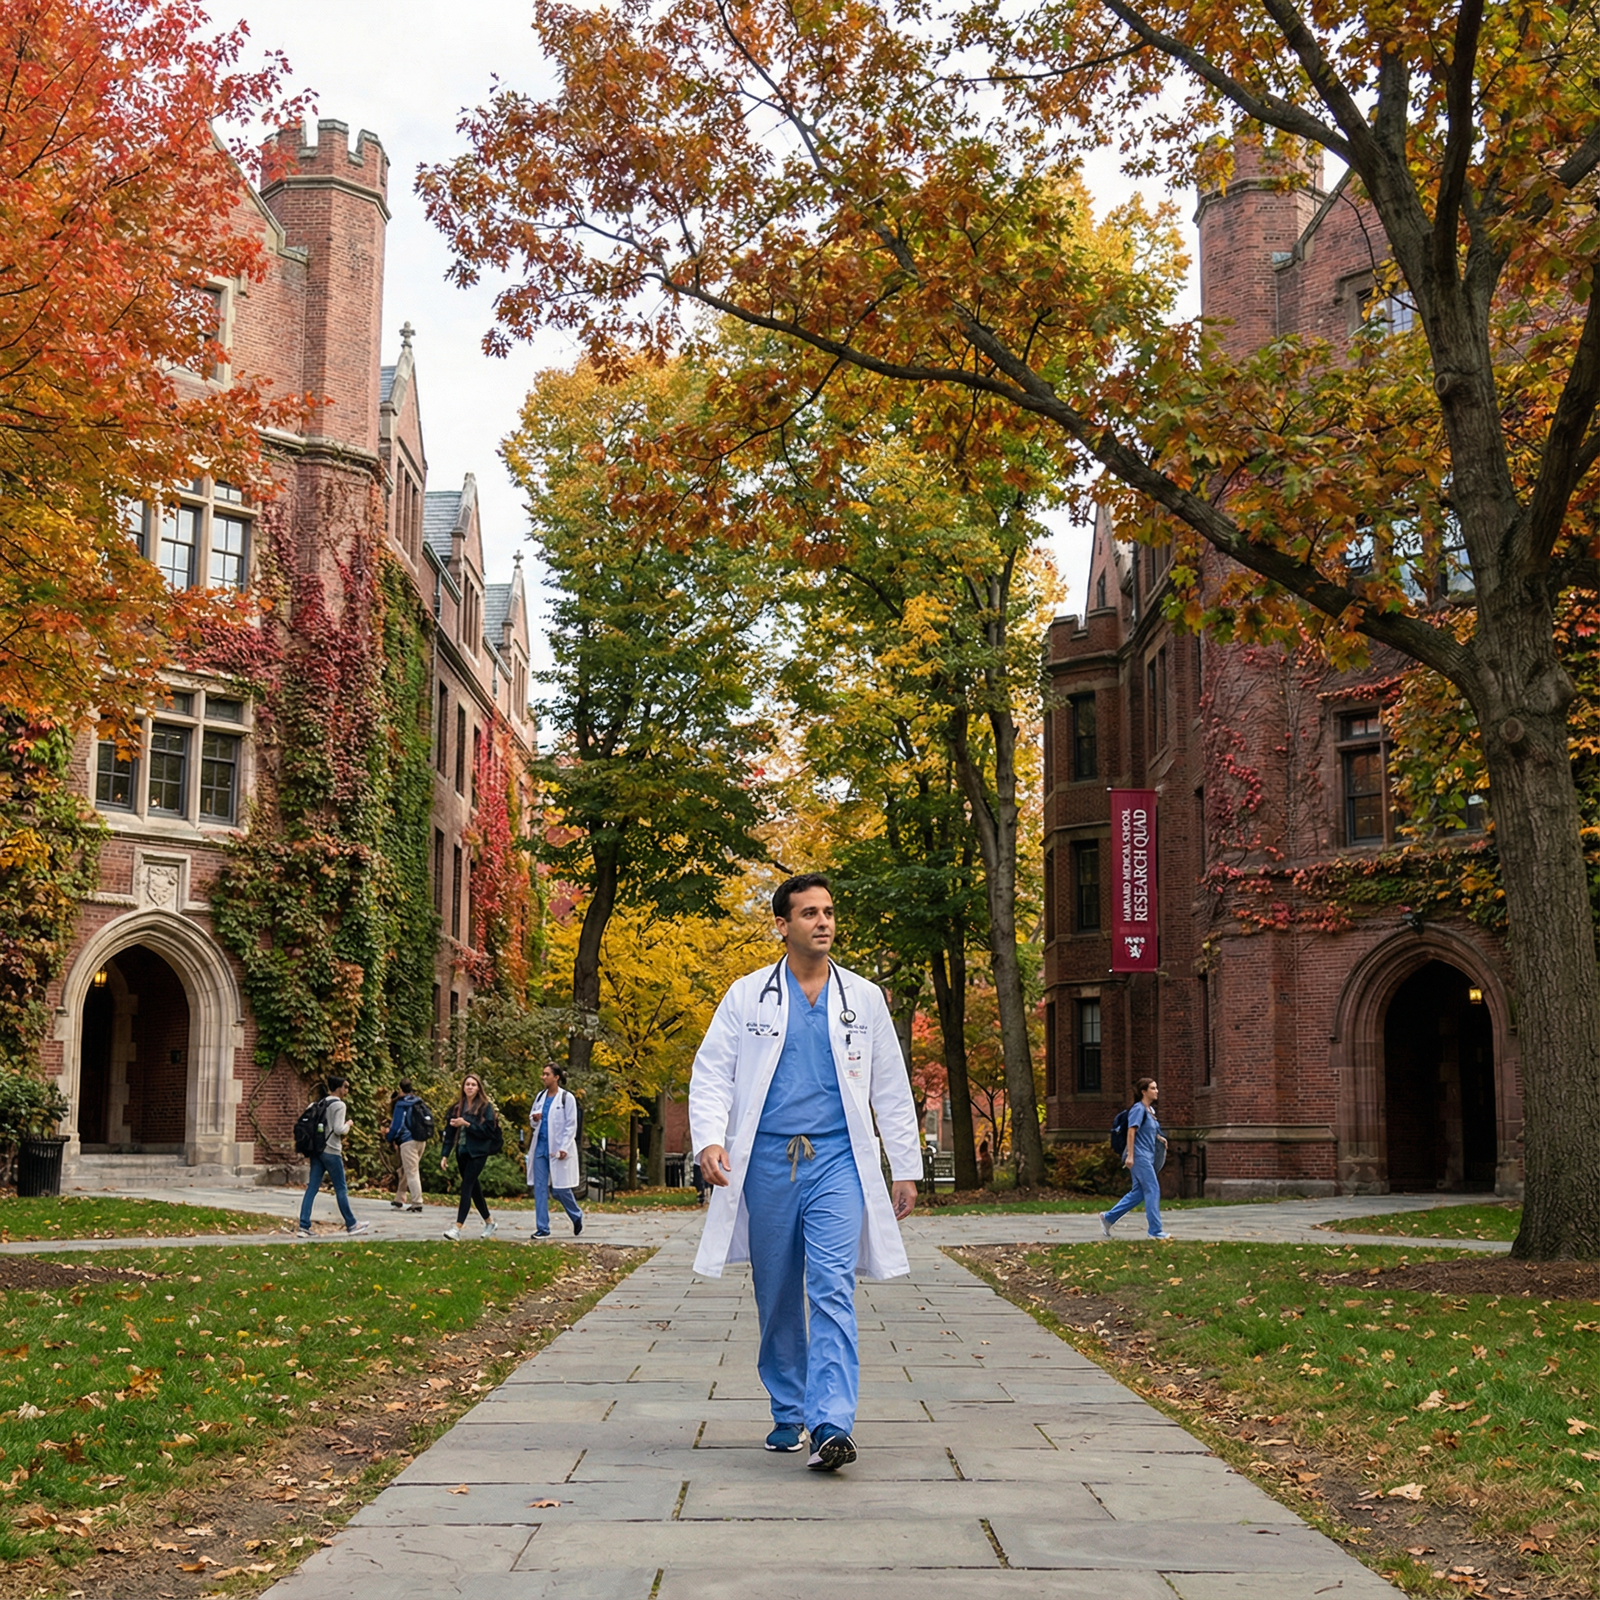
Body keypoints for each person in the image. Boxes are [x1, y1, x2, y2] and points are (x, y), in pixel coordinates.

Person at [689, 872, 922, 1473]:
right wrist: (710, 1141)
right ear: (783, 925)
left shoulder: (863, 999)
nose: (823, 922)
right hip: (766, 1160)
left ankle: (832, 1422)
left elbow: (892, 1087)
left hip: (839, 1160)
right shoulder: (747, 996)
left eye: (828, 912)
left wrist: (905, 1166)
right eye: (809, 913)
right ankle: (788, 1409)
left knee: (832, 1286)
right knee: (777, 1291)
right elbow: (712, 1071)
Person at [294, 1075, 370, 1238]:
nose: (347, 1090)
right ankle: (351, 1224)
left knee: (312, 1188)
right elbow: (338, 1129)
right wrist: (348, 1125)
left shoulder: (318, 1103)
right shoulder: (339, 1105)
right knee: (341, 1188)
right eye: (346, 1086)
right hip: (332, 1151)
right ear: (339, 1088)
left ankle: (304, 1226)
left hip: (317, 1151)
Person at [1101, 1077, 1173, 1241]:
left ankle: (1108, 1218)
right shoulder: (1138, 1109)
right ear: (1144, 1091)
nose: (1157, 1091)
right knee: (1153, 1189)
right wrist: (1131, 1156)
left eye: (1156, 1088)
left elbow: (1146, 1131)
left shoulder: (1149, 1111)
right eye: (1153, 1088)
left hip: (1147, 1154)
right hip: (1139, 1156)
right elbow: (1131, 1131)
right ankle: (1155, 1230)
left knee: (1139, 1193)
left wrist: (1160, 1139)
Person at [439, 1072, 501, 1241]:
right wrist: (445, 1155)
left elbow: (488, 1132)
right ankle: (490, 1222)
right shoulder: (457, 1108)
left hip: (479, 1152)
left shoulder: (485, 1107)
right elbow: (450, 1133)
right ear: (463, 1087)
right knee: (474, 1188)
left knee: (466, 1186)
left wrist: (466, 1124)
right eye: (467, 1084)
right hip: (462, 1151)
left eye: (473, 1085)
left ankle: (457, 1228)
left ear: (479, 1088)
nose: (470, 1087)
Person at [527, 1062, 584, 1239]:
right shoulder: (540, 1097)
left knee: (560, 1189)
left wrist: (564, 1147)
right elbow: (533, 1121)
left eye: (546, 1074)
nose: (543, 1077)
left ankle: (576, 1215)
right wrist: (535, 1119)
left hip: (558, 1149)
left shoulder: (567, 1098)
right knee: (540, 1188)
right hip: (540, 1148)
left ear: (556, 1077)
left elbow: (570, 1125)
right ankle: (542, 1228)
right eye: (543, 1074)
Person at [386, 1078, 427, 1213]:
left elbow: (396, 1126)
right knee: (406, 1169)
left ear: (400, 1089)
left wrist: (389, 1137)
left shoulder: (401, 1104)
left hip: (408, 1141)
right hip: (421, 1140)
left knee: (411, 1171)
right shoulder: (419, 1102)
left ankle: (417, 1202)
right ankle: (399, 1198)